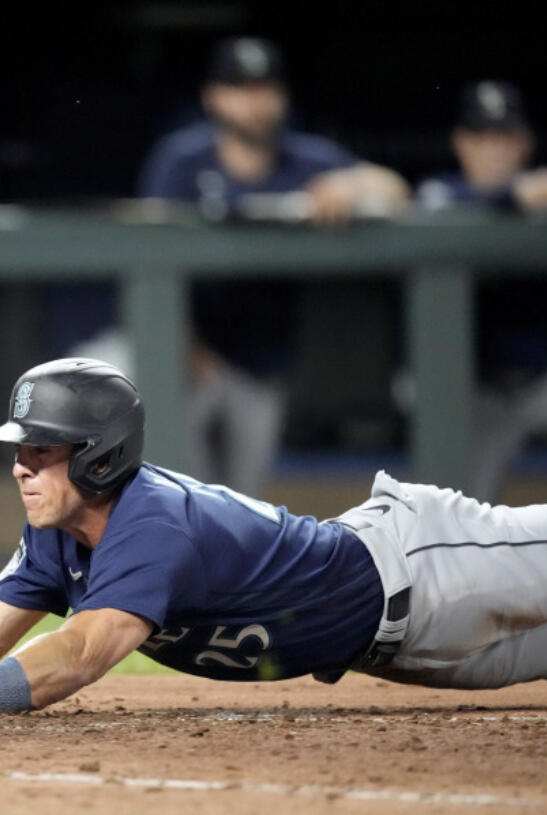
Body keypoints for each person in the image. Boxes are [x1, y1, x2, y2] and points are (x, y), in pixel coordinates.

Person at [0, 357, 547, 720]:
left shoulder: (152, 520)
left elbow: (81, 653)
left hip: (428, 562)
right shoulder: (59, 526)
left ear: (98, 454)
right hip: (400, 650)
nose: (21, 466)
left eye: (40, 448)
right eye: (20, 450)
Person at [136, 37, 409, 497]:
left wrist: (351, 183)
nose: (254, 102)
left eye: (264, 88)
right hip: (190, 354)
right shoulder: (182, 160)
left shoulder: (309, 160)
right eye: (240, 88)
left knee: (241, 506)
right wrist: (181, 342)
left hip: (263, 361)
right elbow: (144, 255)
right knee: (175, 494)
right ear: (213, 97)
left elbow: (396, 190)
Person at [415, 80, 547, 502]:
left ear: (524, 144)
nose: (494, 149)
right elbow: (435, 204)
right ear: (461, 143)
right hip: (473, 392)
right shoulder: (441, 194)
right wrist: (512, 197)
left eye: (504, 137)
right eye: (482, 137)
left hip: (544, 383)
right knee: (460, 512)